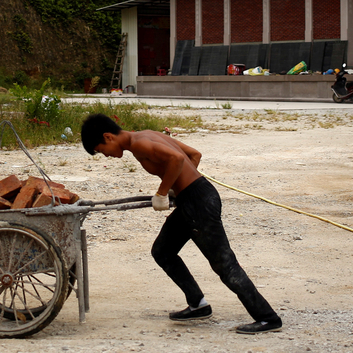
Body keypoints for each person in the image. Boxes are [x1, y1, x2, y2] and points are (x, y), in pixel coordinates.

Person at [80, 113, 282, 335]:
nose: (106, 156)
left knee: (224, 264)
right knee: (163, 251)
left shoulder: (139, 144)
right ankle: (198, 304)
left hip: (199, 203)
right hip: (192, 199)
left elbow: (176, 159)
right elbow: (193, 155)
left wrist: (163, 192)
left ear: (108, 137)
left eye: (101, 151)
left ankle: (267, 318)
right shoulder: (147, 135)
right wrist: (181, 187)